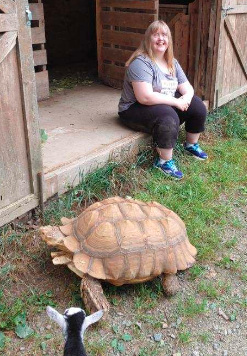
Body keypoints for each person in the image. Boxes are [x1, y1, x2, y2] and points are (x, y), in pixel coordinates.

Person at [118, 20, 208, 179]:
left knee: (197, 105)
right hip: (133, 108)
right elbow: (144, 97)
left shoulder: (172, 62)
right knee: (168, 115)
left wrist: (186, 98)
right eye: (156, 34)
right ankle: (164, 162)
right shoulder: (141, 63)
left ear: (169, 40)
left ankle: (191, 145)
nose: (161, 38)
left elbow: (187, 87)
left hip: (159, 105)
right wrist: (176, 102)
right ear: (148, 39)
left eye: (164, 35)